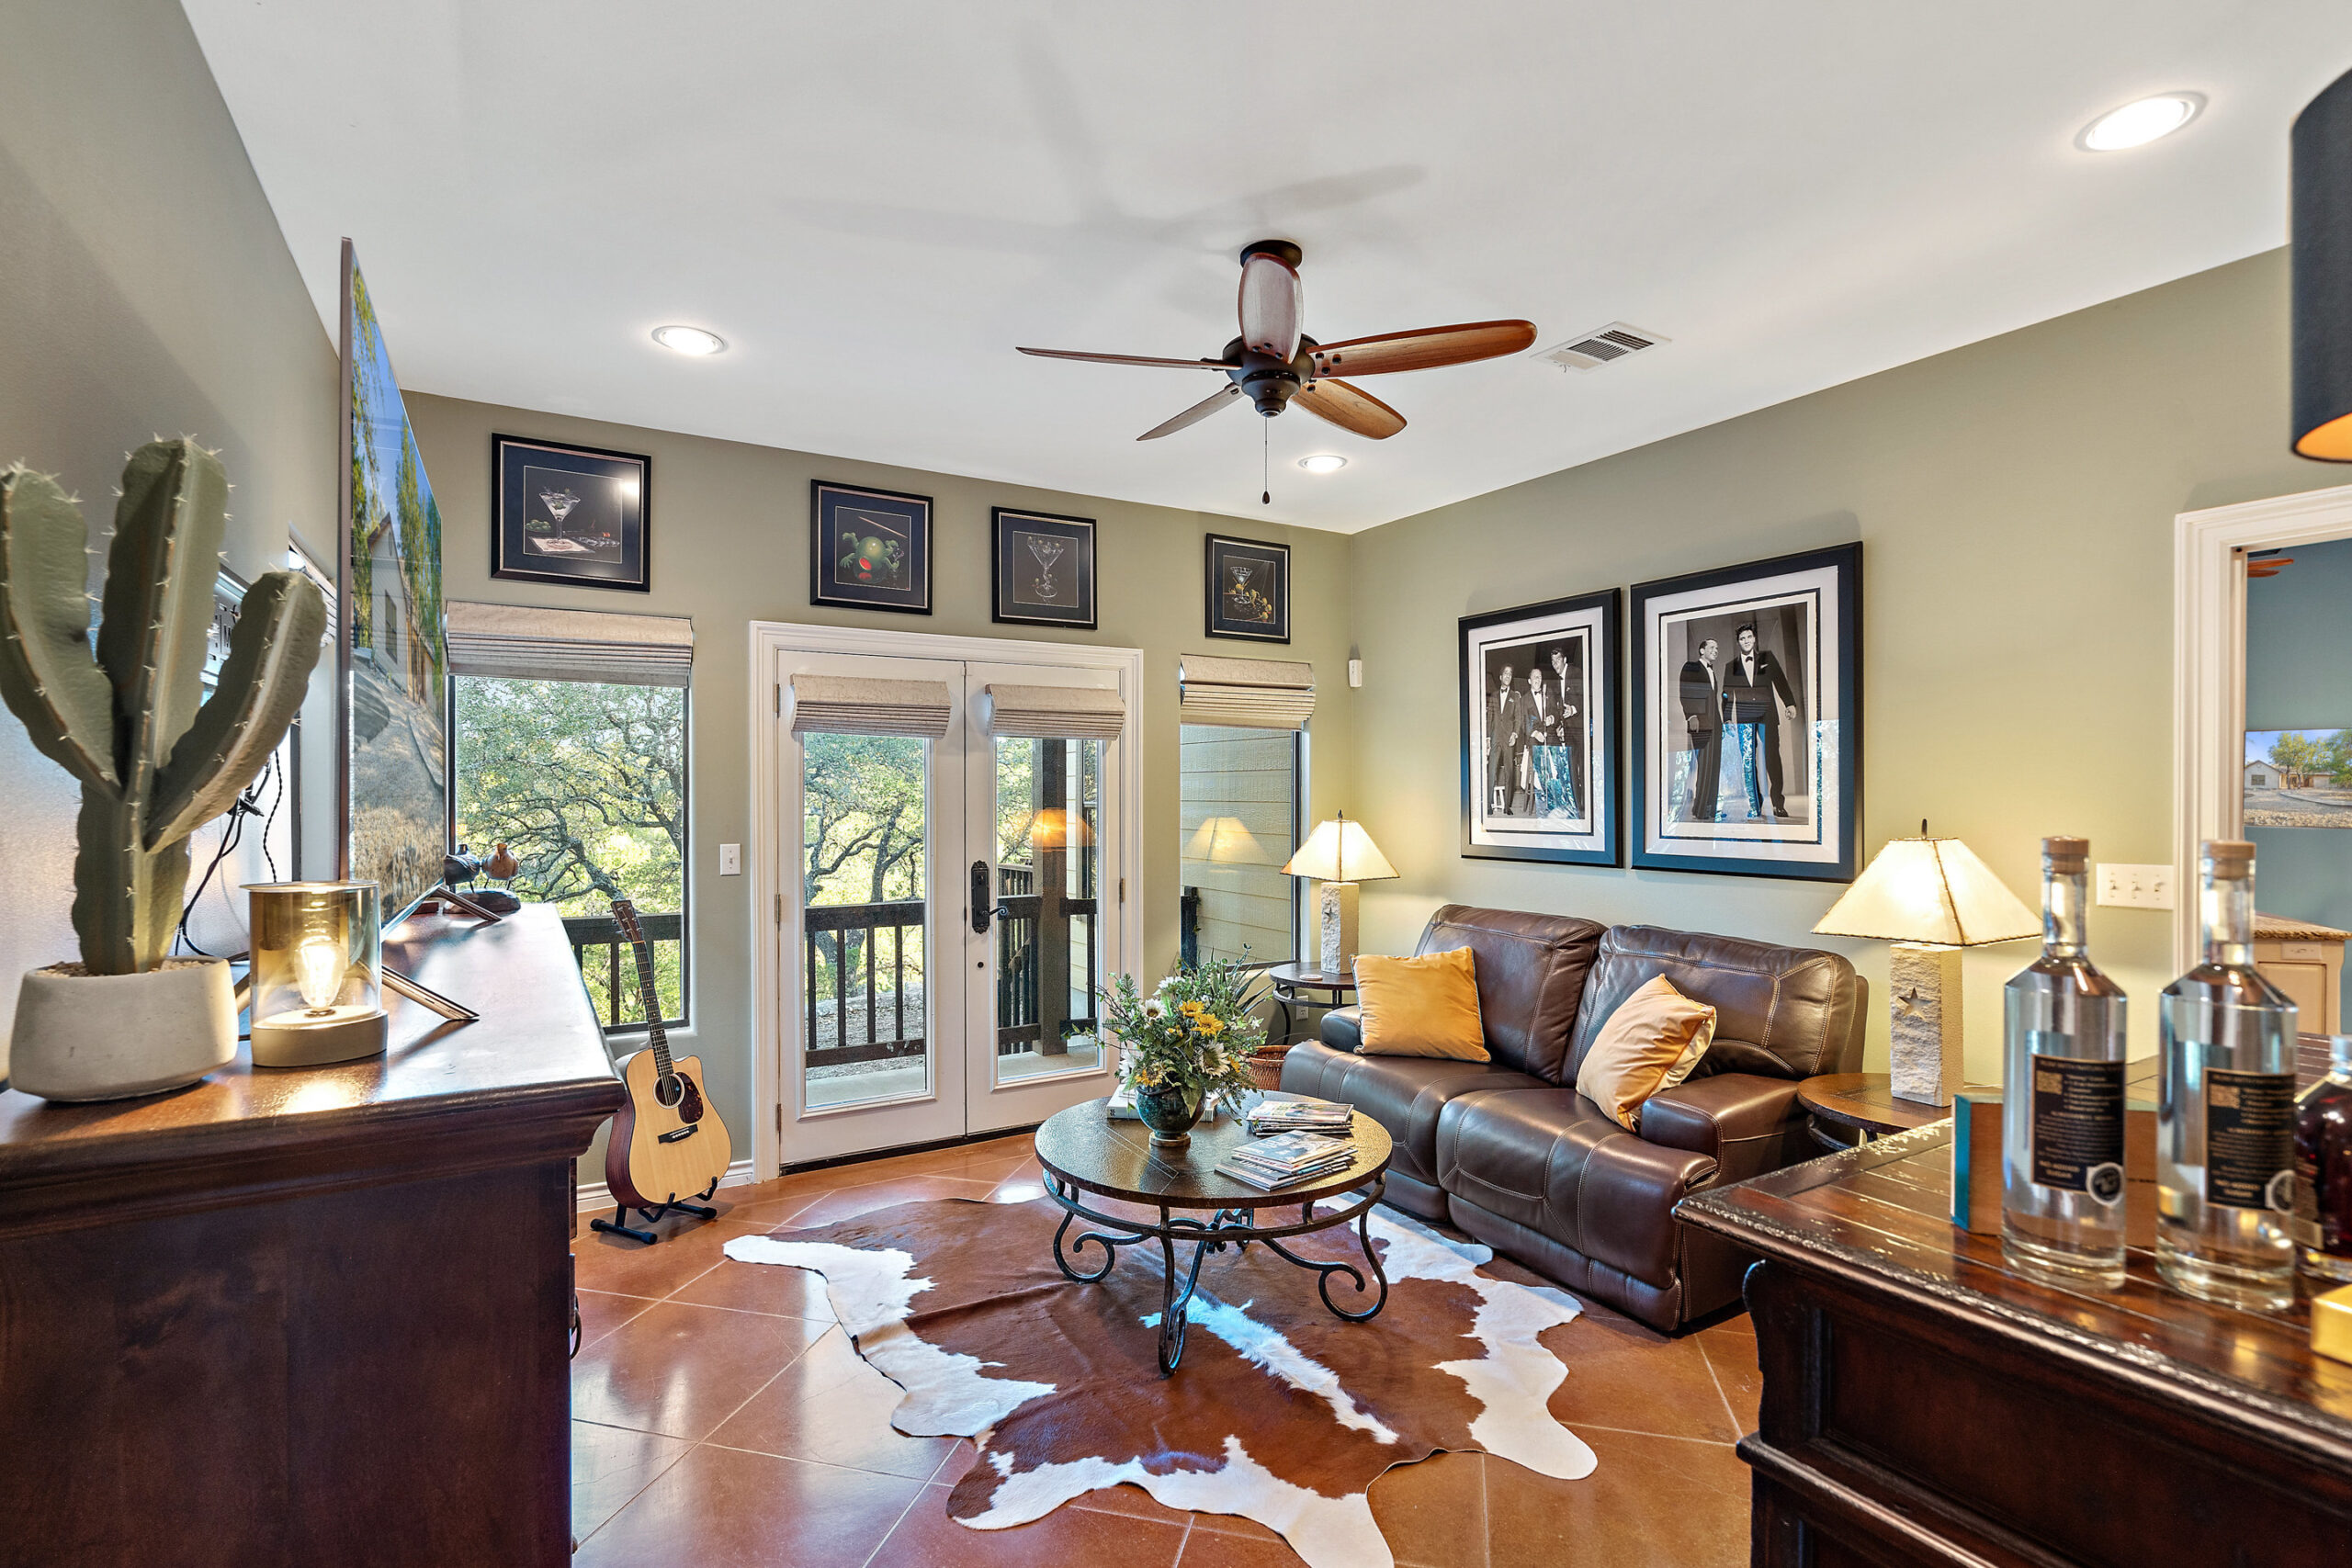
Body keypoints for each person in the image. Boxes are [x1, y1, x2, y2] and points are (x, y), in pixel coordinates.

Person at [1721, 623, 1798, 820]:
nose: (1746, 641)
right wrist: (1727, 718)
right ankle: (1755, 805)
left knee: (1773, 758)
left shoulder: (1767, 658)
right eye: (1742, 638)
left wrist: (1789, 703)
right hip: (1745, 718)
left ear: (1754, 639)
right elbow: (1726, 694)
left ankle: (1778, 804)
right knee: (1748, 761)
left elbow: (1781, 681)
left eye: (1749, 637)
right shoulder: (1731, 666)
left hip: (1767, 715)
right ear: (1738, 642)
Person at [1675, 636, 1723, 823]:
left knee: (1714, 764)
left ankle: (1710, 808)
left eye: (1717, 648)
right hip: (1700, 722)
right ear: (1702, 650)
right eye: (1712, 647)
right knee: (1704, 764)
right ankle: (1701, 809)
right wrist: (1691, 715)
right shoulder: (1691, 667)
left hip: (1715, 722)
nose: (1715, 650)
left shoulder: (1713, 672)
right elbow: (1685, 691)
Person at [1525, 661, 1579, 818]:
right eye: (1535, 677)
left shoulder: (1548, 694)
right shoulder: (1524, 699)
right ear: (1529, 681)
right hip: (1535, 737)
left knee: (1561, 759)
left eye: (1539, 677)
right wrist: (1535, 733)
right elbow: (1523, 723)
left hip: (1550, 734)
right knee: (1541, 761)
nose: (1538, 679)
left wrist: (1552, 718)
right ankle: (1547, 803)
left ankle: (1564, 801)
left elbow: (1557, 714)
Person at [1487, 660, 1526, 816]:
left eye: (1510, 674)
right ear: (1500, 677)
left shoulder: (1515, 697)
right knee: (1492, 770)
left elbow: (1519, 718)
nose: (1508, 676)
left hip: (1509, 739)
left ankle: (1507, 806)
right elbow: (1489, 718)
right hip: (1495, 737)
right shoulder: (1494, 696)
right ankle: (1489, 804)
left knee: (1510, 772)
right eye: (1505, 673)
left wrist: (1515, 734)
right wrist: (1488, 738)